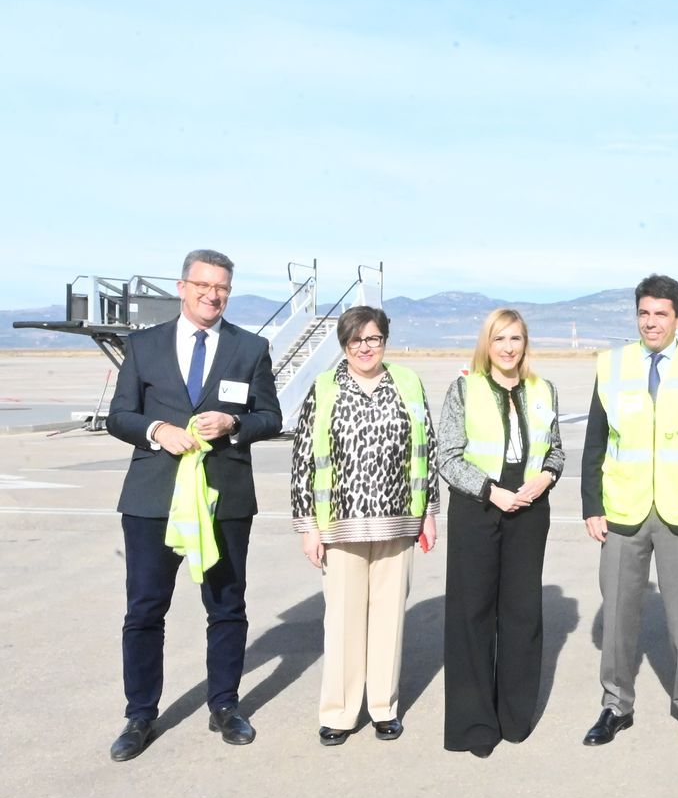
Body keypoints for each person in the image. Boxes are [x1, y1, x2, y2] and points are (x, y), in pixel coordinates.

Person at [104, 248, 281, 761]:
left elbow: (269, 416)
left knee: (226, 607)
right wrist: (156, 430)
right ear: (182, 287)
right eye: (203, 285)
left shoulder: (250, 348)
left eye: (222, 286)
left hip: (224, 499)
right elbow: (120, 417)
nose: (213, 294)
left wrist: (234, 425)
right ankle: (140, 715)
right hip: (153, 499)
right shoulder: (144, 347)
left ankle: (225, 705)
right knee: (144, 609)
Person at [580, 274, 678, 748]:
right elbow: (596, 441)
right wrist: (591, 504)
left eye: (661, 313)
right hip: (623, 509)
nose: (651, 322)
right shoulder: (613, 365)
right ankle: (615, 705)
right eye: (644, 313)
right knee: (619, 614)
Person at [289, 306, 440, 746]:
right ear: (344, 345)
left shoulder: (407, 383)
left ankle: (383, 707)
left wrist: (429, 509)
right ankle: (338, 712)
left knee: (389, 618)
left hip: (397, 521)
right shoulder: (324, 389)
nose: (365, 348)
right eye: (356, 340)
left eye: (373, 338)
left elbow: (425, 448)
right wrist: (308, 527)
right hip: (341, 524)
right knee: (342, 620)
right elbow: (304, 460)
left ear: (384, 341)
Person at [436, 309, 563, 757]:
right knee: (473, 615)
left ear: (526, 344)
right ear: (486, 344)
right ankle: (475, 724)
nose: (508, 348)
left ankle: (514, 715)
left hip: (529, 511)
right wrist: (492, 492)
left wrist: (544, 479)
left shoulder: (542, 390)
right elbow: (447, 458)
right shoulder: (464, 389)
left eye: (516, 339)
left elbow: (557, 453)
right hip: (478, 509)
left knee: (522, 614)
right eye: (499, 339)